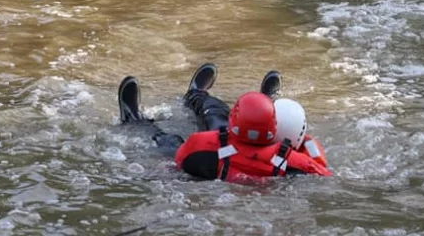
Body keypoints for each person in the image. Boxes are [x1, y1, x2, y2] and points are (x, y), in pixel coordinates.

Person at [118, 63, 330, 182]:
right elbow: (321, 173)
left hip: (218, 158)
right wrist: (302, 143)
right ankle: (195, 94)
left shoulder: (202, 144)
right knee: (209, 121)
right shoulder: (296, 164)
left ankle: (135, 120)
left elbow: (183, 158)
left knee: (173, 140)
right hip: (249, 164)